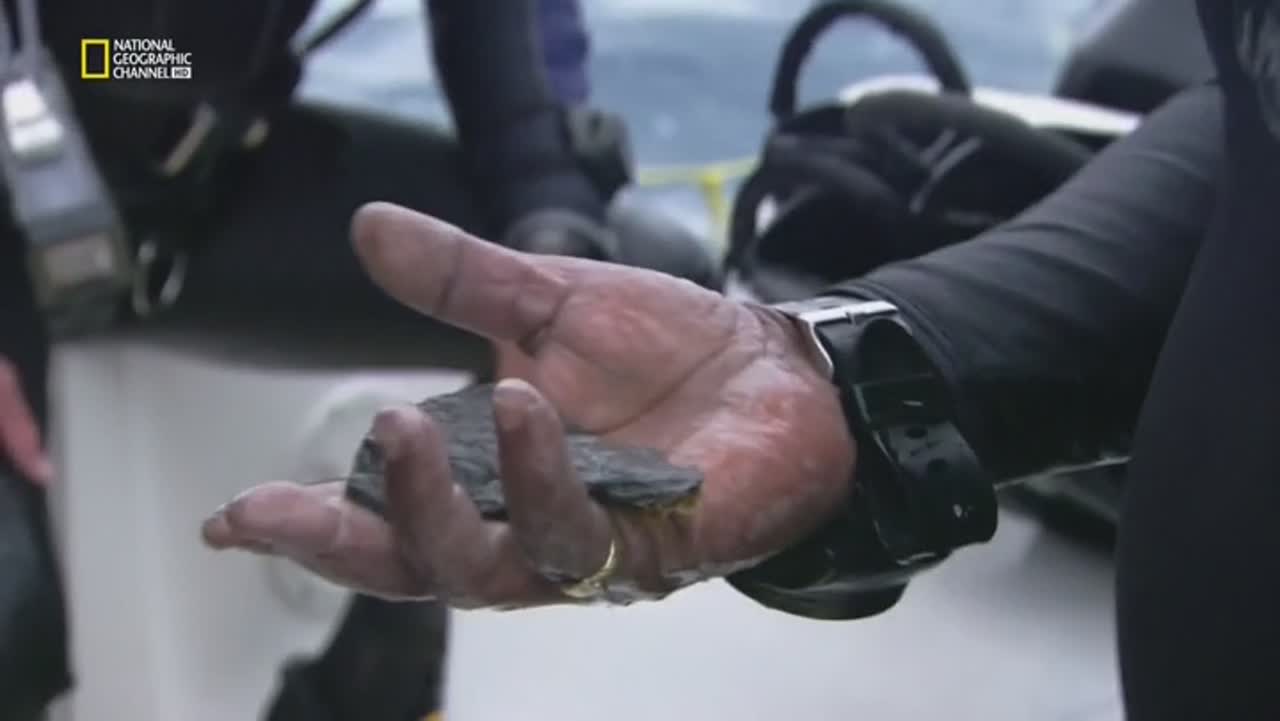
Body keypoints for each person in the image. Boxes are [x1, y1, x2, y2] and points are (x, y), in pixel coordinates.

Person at [204, 1, 1280, 718]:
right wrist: (847, 367)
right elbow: (1256, 123)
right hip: (128, 175)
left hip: (212, 142)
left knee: (634, 260)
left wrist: (549, 205)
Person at [0, 0, 715, 718]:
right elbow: (105, 56)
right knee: (11, 602)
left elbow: (511, 80)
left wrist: (549, 240)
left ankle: (353, 698)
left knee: (617, 303)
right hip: (23, 195)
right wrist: (132, 64)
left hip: (207, 182)